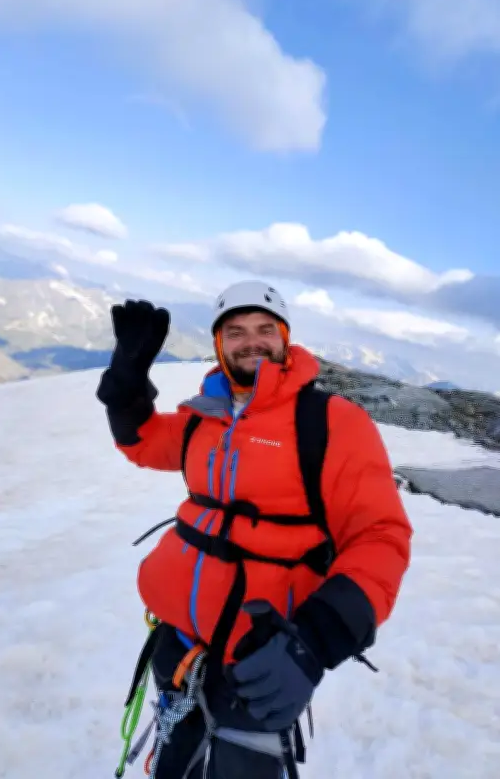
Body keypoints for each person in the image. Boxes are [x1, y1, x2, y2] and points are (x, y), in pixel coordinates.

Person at [96, 280, 413, 779]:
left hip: (263, 658)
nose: (252, 341)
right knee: (175, 763)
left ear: (286, 338)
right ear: (219, 344)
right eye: (236, 331)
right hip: (177, 643)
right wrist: (127, 387)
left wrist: (312, 644)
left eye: (266, 329)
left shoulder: (332, 423)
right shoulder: (206, 417)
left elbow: (381, 538)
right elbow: (145, 444)